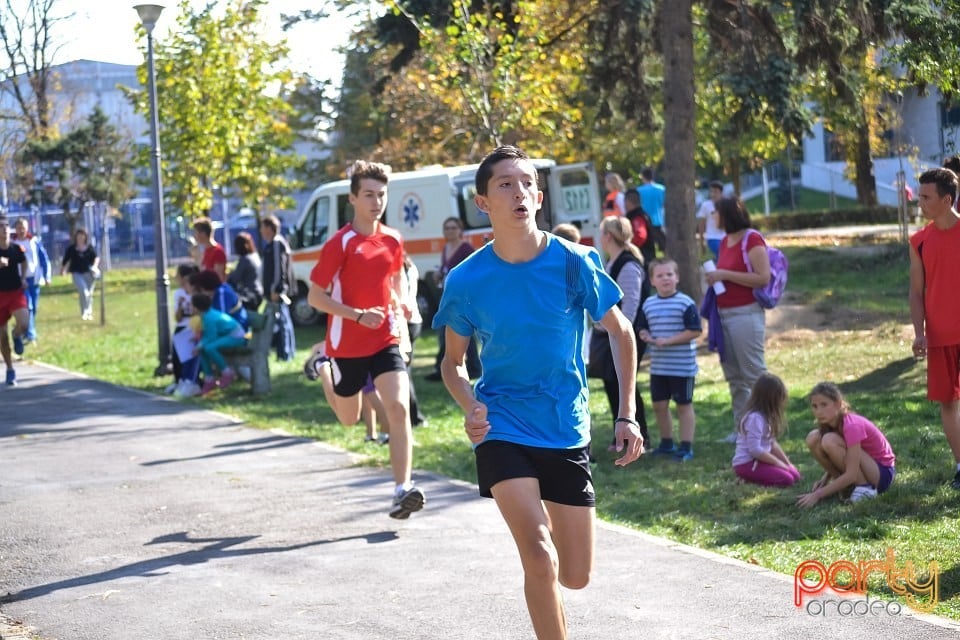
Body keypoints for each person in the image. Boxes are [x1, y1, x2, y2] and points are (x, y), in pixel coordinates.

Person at [433, 145, 643, 640]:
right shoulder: (466, 279)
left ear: (540, 196)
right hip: (502, 426)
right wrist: (471, 405)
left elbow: (622, 332)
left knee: (575, 574)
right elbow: (452, 363)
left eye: (526, 183)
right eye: (505, 184)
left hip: (565, 426)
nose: (519, 192)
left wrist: (627, 414)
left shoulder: (574, 263)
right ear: (482, 202)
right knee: (539, 557)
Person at [306, 159, 425, 520]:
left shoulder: (393, 239)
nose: (377, 202)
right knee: (348, 419)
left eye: (382, 195)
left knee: (399, 408)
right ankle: (322, 366)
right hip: (346, 345)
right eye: (369, 195)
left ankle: (402, 489)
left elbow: (393, 279)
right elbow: (315, 297)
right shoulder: (339, 244)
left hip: (385, 338)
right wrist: (356, 315)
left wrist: (401, 301)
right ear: (353, 199)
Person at [909, 167, 960, 488]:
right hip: (940, 336)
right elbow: (916, 291)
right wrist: (919, 332)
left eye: (926, 197)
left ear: (947, 199)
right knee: (949, 402)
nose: (920, 202)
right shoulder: (919, 241)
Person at [704, 197, 771, 443]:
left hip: (746, 313)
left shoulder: (752, 239)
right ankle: (742, 430)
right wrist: (716, 278)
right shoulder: (724, 241)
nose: (713, 217)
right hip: (723, 315)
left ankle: (766, 429)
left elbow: (763, 277)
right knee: (734, 377)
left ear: (728, 214)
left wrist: (724, 274)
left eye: (715, 213)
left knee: (754, 373)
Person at [594, 216, 651, 452]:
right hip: (610, 333)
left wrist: (616, 330)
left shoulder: (628, 264)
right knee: (611, 382)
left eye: (601, 233)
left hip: (628, 335)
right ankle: (621, 436)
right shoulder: (612, 262)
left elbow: (630, 305)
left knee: (625, 383)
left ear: (608, 236)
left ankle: (641, 435)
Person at [638, 258, 702, 461]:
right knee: (659, 405)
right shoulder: (648, 304)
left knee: (684, 405)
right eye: (660, 275)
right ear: (652, 281)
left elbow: (695, 331)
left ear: (677, 278)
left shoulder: (685, 303)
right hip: (659, 367)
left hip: (682, 367)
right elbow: (641, 327)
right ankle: (666, 442)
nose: (665, 278)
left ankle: (686, 446)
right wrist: (645, 335)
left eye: (669, 274)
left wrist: (669, 341)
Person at [797, 382, 896, 507]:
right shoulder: (830, 424)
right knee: (813, 438)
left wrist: (818, 495)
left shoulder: (851, 425)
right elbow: (843, 455)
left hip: (881, 474)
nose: (819, 411)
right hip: (864, 466)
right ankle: (846, 487)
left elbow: (851, 473)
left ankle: (865, 488)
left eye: (824, 405)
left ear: (838, 404)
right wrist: (825, 480)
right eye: (815, 406)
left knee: (829, 440)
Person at [426, 216, 480, 382]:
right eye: (447, 228)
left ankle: (468, 367)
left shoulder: (465, 248)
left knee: (458, 332)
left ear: (460, 230)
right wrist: (439, 275)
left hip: (462, 297)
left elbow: (474, 271)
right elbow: (446, 270)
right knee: (449, 332)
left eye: (453, 228)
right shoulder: (446, 248)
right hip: (447, 295)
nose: (450, 231)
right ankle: (461, 367)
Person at [731, 373, 800, 487]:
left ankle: (756, 477)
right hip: (747, 464)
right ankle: (748, 478)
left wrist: (788, 464)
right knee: (787, 479)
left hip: (761, 461)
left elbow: (772, 443)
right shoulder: (755, 418)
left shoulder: (767, 416)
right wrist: (777, 463)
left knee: (795, 475)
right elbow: (755, 450)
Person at [190, 292, 247, 396]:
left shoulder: (209, 318)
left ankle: (227, 372)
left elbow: (211, 337)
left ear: (197, 308)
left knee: (209, 348)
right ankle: (209, 378)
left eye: (192, 305)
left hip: (236, 337)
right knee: (204, 349)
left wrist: (198, 346)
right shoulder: (207, 315)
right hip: (227, 336)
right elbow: (209, 334)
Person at [260, 214, 296, 361]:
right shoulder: (272, 244)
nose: (261, 231)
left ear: (269, 228)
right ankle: (286, 351)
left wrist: (276, 289)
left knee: (282, 322)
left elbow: (278, 269)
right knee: (282, 320)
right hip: (274, 291)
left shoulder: (276, 243)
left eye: (262, 227)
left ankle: (285, 353)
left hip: (278, 291)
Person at [0, 215, 30, 386]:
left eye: (6, 226)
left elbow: (24, 262)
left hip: (15, 292)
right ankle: (10, 370)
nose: (4, 229)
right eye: (0, 227)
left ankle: (17, 334)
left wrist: (24, 277)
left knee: (25, 324)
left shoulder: (16, 249)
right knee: (2, 338)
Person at [11, 217, 50, 344]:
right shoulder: (13, 243)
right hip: (20, 280)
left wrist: (47, 276)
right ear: (15, 229)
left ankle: (22, 329)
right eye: (19, 228)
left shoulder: (34, 242)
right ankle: (31, 335)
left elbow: (44, 260)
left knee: (34, 308)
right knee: (28, 307)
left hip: (34, 279)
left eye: (23, 228)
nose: (21, 230)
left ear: (27, 228)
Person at [401, 252, 427, 427]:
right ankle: (412, 415)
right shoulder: (411, 267)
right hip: (414, 321)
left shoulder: (401, 270)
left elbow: (406, 298)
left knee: (403, 372)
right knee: (404, 370)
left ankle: (414, 416)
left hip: (406, 322)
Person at [170, 263, 202, 397]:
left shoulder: (197, 293)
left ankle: (191, 380)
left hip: (194, 327)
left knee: (190, 354)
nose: (176, 278)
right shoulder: (179, 294)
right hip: (182, 326)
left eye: (177, 276)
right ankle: (179, 380)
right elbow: (177, 318)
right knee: (176, 352)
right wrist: (181, 307)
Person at [60, 227, 99, 321]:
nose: (81, 238)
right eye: (79, 236)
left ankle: (89, 312)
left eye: (82, 236)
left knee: (89, 294)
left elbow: (96, 258)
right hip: (77, 273)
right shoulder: (72, 249)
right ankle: (84, 312)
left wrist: (95, 266)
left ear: (85, 237)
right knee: (83, 292)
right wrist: (63, 270)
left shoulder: (89, 248)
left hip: (89, 274)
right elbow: (65, 260)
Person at [227, 231, 263, 311]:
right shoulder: (255, 256)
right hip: (259, 292)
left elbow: (234, 279)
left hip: (249, 295)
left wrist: (228, 275)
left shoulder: (245, 260)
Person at [637, 167, 666, 255]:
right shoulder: (661, 189)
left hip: (645, 222)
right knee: (664, 246)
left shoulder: (639, 191)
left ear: (643, 177)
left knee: (648, 248)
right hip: (658, 220)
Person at [624, 189, 656, 266]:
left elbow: (640, 236)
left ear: (627, 202)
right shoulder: (642, 215)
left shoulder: (637, 217)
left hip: (643, 259)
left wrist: (628, 248)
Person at [696, 180, 725, 260]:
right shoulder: (706, 205)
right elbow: (701, 224)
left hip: (726, 237)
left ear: (721, 193)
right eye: (711, 192)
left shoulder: (726, 204)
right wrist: (702, 242)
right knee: (721, 253)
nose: (713, 194)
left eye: (716, 192)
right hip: (712, 237)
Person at [192, 217, 227, 282]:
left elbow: (218, 277)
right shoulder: (205, 251)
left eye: (196, 232)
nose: (194, 236)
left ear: (203, 233)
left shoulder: (218, 251)